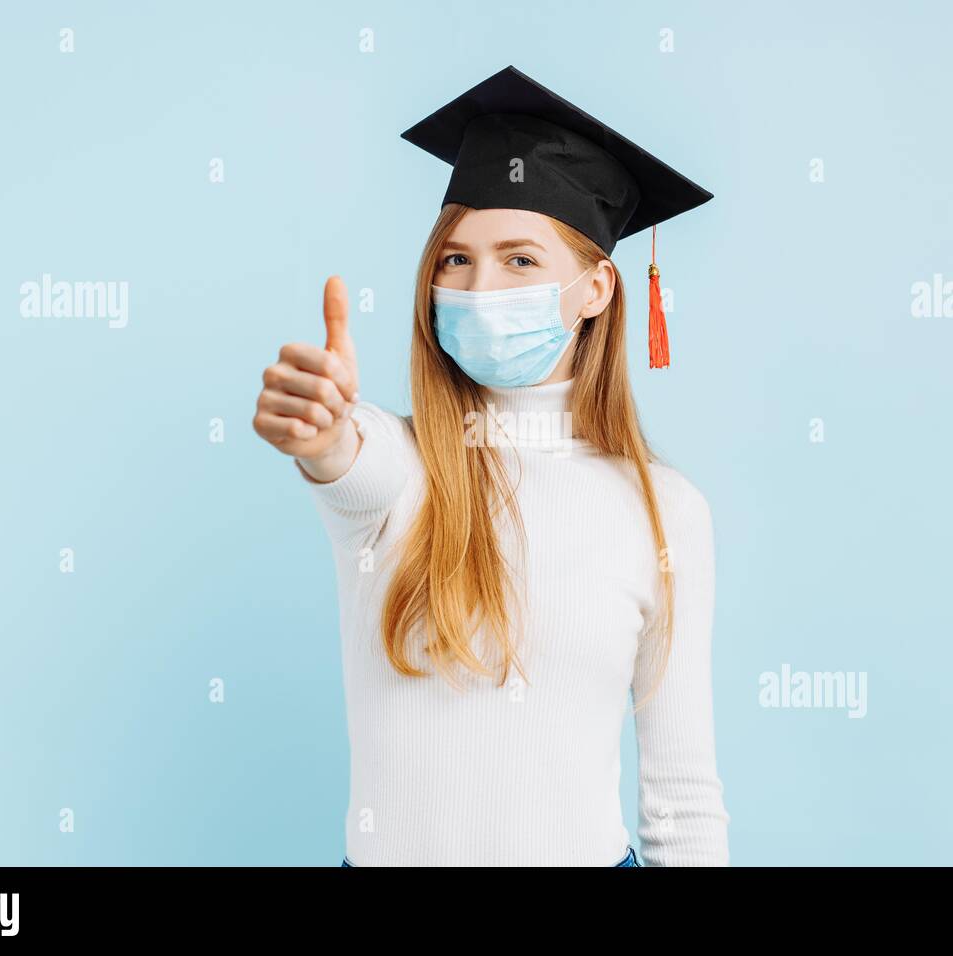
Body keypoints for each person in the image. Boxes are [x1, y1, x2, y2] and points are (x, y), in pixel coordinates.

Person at [253, 66, 730, 866]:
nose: (477, 287)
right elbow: (345, 457)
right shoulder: (398, 467)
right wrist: (317, 428)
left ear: (595, 289)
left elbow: (682, 799)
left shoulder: (665, 511)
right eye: (455, 261)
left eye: (517, 261)